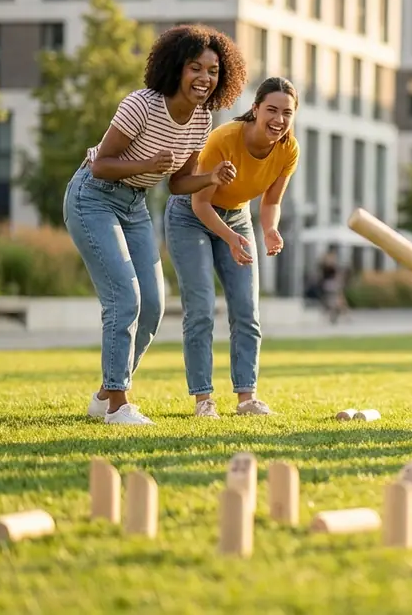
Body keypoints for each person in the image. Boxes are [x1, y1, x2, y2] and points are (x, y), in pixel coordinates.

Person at [65, 24, 247, 426]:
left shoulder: (202, 119)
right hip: (92, 197)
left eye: (213, 71)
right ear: (176, 68)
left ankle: (105, 393)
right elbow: (101, 165)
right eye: (195, 68)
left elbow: (179, 182)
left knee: (153, 305)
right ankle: (118, 406)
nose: (204, 78)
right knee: (124, 298)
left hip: (134, 205)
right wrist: (145, 165)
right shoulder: (142, 105)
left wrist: (211, 178)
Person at [164, 77, 300, 419]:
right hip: (190, 215)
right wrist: (230, 238)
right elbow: (200, 204)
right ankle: (203, 400)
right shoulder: (224, 139)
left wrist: (269, 230)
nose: (279, 119)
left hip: (237, 217)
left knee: (246, 311)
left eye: (287, 112)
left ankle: (246, 398)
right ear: (255, 110)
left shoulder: (288, 149)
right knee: (201, 309)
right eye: (271, 109)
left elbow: (271, 202)